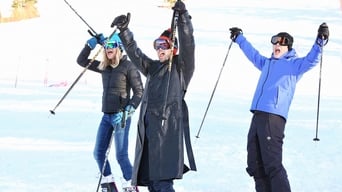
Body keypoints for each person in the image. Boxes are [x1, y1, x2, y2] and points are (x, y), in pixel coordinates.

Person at [229, 23, 329, 192]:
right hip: (258, 115)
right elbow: (252, 54)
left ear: (288, 47)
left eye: (281, 43)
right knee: (255, 163)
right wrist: (239, 38)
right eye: (275, 43)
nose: (277, 46)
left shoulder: (294, 65)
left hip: (273, 117)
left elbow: (312, 59)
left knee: (272, 164)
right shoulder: (267, 63)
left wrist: (320, 41)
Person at [111, 1, 197, 191]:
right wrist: (124, 31)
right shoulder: (152, 68)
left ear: (173, 47)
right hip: (149, 135)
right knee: (151, 183)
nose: (159, 49)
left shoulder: (180, 68)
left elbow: (188, 43)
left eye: (163, 45)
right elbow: (135, 54)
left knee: (162, 183)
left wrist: (183, 17)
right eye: (156, 45)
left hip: (167, 135)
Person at [76, 32, 144, 192]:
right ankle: (109, 184)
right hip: (106, 116)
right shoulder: (104, 67)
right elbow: (81, 61)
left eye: (112, 45)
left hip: (121, 116)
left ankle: (130, 186)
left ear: (119, 48)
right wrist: (89, 46)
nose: (108, 49)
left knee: (121, 156)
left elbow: (140, 91)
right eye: (106, 46)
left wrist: (131, 108)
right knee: (98, 153)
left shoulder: (128, 66)